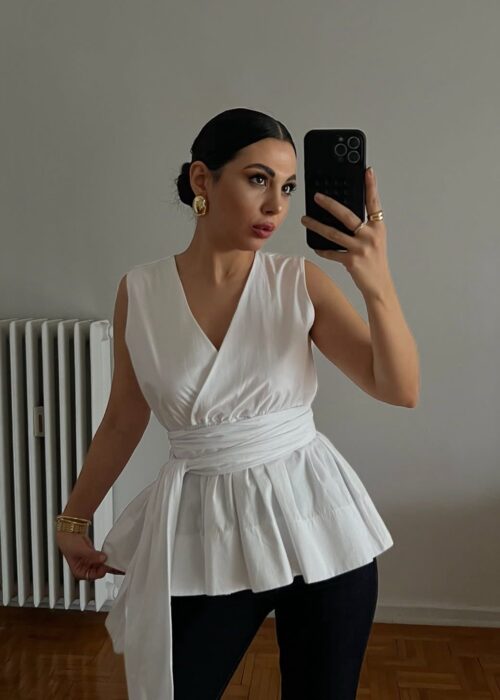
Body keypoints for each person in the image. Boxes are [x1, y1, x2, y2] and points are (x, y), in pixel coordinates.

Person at [56, 107, 419, 700]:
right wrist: (74, 519)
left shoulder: (298, 282)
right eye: (257, 180)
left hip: (318, 524)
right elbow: (123, 418)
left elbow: (399, 389)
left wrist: (374, 280)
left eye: (288, 187)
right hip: (206, 531)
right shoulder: (141, 291)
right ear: (202, 179)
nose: (276, 205)